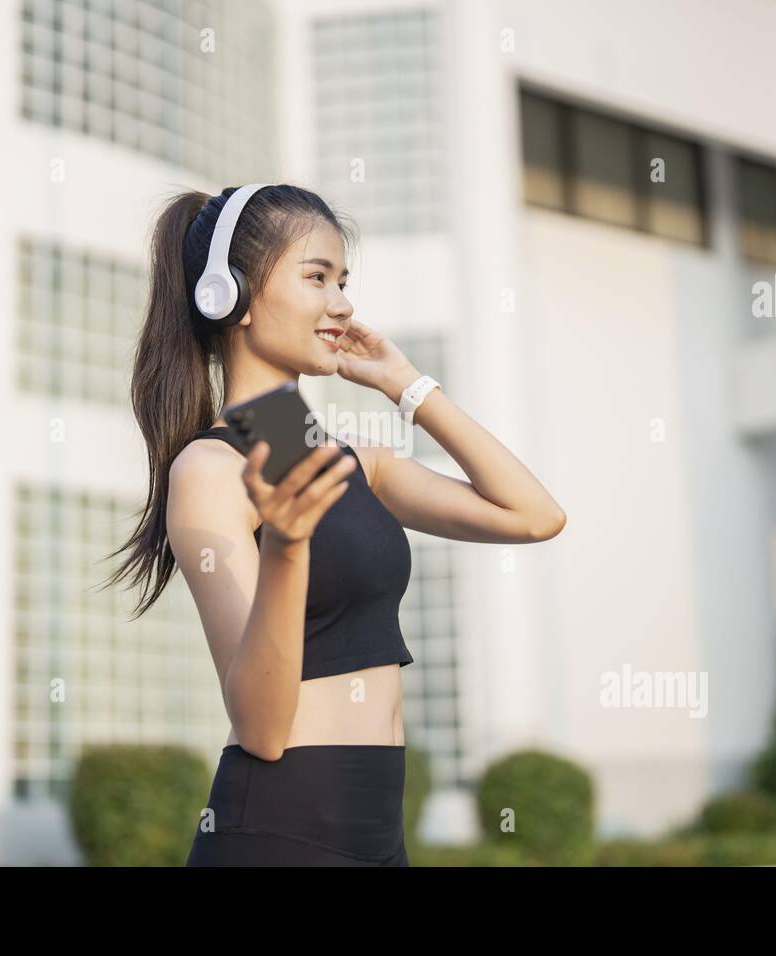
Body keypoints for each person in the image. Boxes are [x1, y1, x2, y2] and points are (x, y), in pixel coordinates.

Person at [106, 183, 566, 866]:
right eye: (317, 276)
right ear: (230, 296)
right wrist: (288, 548)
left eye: (343, 281)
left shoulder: (356, 463)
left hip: (380, 830)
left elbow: (534, 516)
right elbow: (261, 726)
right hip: (283, 830)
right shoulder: (210, 468)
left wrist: (404, 383)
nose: (342, 304)